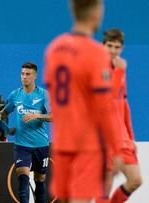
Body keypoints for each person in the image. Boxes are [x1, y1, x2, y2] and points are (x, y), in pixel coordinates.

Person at [44, 0, 122, 202]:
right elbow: (105, 107)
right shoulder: (96, 52)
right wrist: (115, 150)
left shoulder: (54, 48)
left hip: (61, 141)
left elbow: (52, 93)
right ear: (96, 13)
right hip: (86, 146)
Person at [96, 28, 142, 203]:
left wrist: (131, 137)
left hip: (122, 139)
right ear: (103, 46)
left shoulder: (120, 67)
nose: (113, 51)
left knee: (136, 180)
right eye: (110, 46)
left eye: (117, 47)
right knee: (104, 190)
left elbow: (123, 103)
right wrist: (120, 72)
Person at [0, 62, 51, 203]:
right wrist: (5, 128)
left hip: (40, 144)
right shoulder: (15, 95)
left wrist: (37, 115)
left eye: (28, 74)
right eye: (22, 74)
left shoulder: (43, 95)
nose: (24, 77)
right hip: (22, 144)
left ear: (35, 76)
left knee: (40, 180)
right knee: (22, 176)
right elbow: (4, 112)